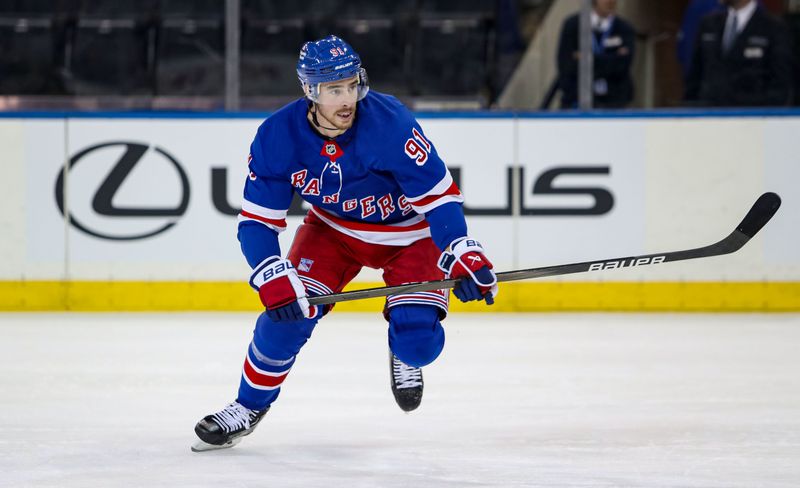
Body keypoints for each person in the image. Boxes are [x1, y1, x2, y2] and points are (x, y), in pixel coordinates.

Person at [191, 35, 499, 452]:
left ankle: (404, 347)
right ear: (309, 91)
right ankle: (247, 408)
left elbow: (440, 199)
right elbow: (257, 222)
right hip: (333, 233)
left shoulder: (391, 123)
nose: (347, 99)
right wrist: (270, 272)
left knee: (419, 343)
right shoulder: (277, 136)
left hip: (411, 237)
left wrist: (462, 252)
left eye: (352, 85)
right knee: (285, 319)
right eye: (334, 90)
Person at [684, 0, 793, 107]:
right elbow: (694, 80)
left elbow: (781, 87)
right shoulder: (708, 24)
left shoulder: (774, 28)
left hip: (753, 118)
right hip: (708, 117)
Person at [556, 0, 636, 109]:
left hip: (615, 103)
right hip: (577, 102)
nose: (610, 1)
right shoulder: (573, 25)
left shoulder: (624, 28)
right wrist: (611, 59)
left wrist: (587, 59)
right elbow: (566, 65)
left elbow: (623, 65)